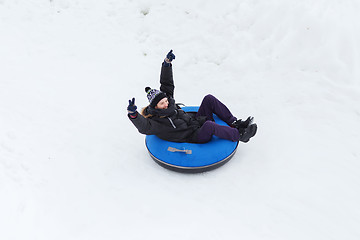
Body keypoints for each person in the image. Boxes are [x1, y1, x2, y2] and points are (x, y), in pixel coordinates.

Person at [127, 50, 257, 143]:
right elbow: (144, 127)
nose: (166, 103)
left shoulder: (169, 103)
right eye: (162, 104)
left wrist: (166, 64)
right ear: (155, 106)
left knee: (209, 99)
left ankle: (235, 123)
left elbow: (167, 84)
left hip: (195, 122)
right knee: (209, 126)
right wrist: (133, 115)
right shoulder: (157, 122)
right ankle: (240, 135)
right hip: (194, 136)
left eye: (166, 100)